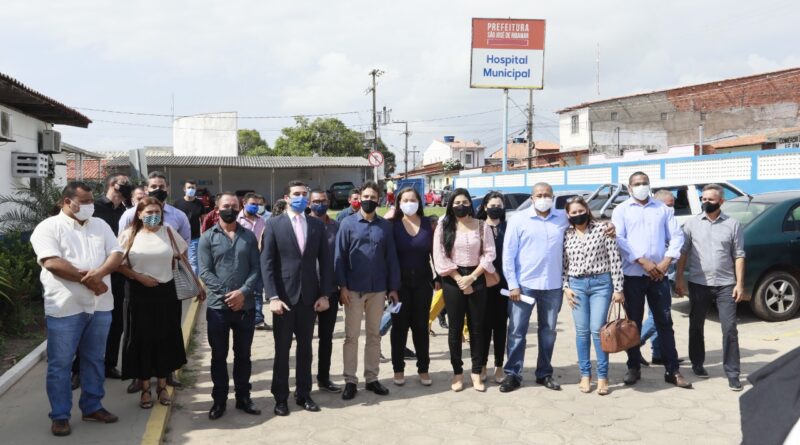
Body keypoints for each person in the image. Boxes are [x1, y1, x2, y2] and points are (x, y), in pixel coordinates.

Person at [30, 182, 124, 436]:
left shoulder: (100, 225)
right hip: (65, 307)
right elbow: (52, 262)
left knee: (95, 360)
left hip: (101, 306)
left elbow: (116, 254)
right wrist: (92, 281)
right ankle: (60, 415)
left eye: (91, 200)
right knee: (60, 364)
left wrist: (100, 273)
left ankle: (92, 406)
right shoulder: (48, 228)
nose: (88, 206)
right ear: (66, 202)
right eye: (83, 201)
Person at [117, 197, 201, 409]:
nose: (154, 215)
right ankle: (145, 389)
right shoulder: (129, 235)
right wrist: (138, 277)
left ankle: (162, 387)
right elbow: (118, 264)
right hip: (138, 294)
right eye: (149, 212)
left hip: (166, 293)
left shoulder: (169, 232)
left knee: (165, 339)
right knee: (142, 340)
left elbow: (183, 258)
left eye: (157, 211)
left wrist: (198, 285)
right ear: (139, 214)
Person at [612, 171, 691, 389]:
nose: (641, 186)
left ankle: (672, 370)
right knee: (633, 324)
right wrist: (641, 261)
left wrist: (666, 261)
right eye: (637, 183)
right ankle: (633, 366)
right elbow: (619, 239)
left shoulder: (662, 209)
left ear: (650, 185)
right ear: (629, 188)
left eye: (644, 183)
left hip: (659, 275)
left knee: (664, 322)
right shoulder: (621, 210)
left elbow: (676, 237)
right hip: (634, 276)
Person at [262, 181, 333, 416]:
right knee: (282, 350)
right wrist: (272, 296)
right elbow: (267, 264)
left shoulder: (315, 225)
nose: (301, 198)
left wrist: (324, 294)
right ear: (286, 197)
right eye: (297, 194)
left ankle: (304, 394)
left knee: (306, 349)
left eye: (305, 194)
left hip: (309, 298)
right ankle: (280, 397)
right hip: (283, 298)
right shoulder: (273, 225)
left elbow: (325, 262)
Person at [500, 183, 569, 393]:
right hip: (524, 286)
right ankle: (513, 374)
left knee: (548, 332)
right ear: (532, 197)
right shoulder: (518, 220)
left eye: (547, 195)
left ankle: (544, 373)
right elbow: (508, 254)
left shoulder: (562, 218)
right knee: (517, 331)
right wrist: (512, 284)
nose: (543, 198)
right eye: (539, 195)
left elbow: (587, 224)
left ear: (553, 197)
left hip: (553, 286)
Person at [675, 184, 745, 391]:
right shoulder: (691, 224)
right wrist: (679, 278)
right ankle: (697, 363)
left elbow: (739, 255)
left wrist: (740, 283)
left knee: (729, 328)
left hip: (726, 285)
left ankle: (732, 373)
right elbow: (683, 253)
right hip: (699, 283)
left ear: (721, 202)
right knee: (696, 326)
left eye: (711, 200)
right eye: (703, 199)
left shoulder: (733, 225)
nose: (706, 202)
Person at [199, 192, 262, 420]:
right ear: (217, 209)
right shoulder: (207, 238)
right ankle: (219, 400)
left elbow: (256, 268)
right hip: (218, 308)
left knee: (243, 355)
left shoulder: (249, 237)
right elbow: (204, 271)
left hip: (245, 307)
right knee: (219, 356)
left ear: (240, 207)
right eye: (226, 205)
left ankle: (244, 397)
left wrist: (243, 293)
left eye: (234, 206)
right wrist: (228, 296)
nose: (230, 209)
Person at [335, 181, 400, 400]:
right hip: (353, 290)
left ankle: (371, 378)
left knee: (374, 335)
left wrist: (393, 288)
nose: (369, 200)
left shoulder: (385, 226)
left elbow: (391, 258)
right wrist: (342, 286)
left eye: (373, 197)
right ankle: (350, 381)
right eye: (366, 196)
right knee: (351, 337)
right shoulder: (347, 224)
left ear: (379, 199)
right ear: (359, 197)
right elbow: (339, 257)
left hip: (378, 289)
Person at [70, 174, 130, 387]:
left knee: (116, 321)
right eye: (123, 182)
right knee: (86, 319)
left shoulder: (126, 210)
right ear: (112, 185)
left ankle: (109, 364)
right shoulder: (95, 209)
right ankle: (78, 369)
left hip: (119, 272)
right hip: (92, 274)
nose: (126, 185)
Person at [433, 188, 496, 393]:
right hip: (453, 280)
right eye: (457, 202)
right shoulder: (444, 226)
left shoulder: (481, 226)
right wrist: (459, 278)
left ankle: (476, 372)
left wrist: (472, 277)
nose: (461, 206)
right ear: (451, 205)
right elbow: (440, 255)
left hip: (476, 278)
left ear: (471, 204)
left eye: (465, 202)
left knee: (477, 328)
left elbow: (489, 254)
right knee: (455, 329)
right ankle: (457, 373)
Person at [562, 196, 625, 396]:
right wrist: (566, 287)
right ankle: (585, 375)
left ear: (587, 210)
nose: (578, 215)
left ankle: (603, 376)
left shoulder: (603, 229)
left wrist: (618, 289)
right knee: (582, 332)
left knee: (598, 330)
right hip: (577, 285)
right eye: (574, 212)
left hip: (601, 284)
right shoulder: (566, 234)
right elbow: (563, 264)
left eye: (581, 211)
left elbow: (614, 259)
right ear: (568, 215)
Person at [390, 187, 434, 387]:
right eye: (404, 200)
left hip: (423, 284)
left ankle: (423, 369)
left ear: (419, 202)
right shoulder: (392, 226)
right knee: (399, 328)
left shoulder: (428, 225)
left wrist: (439, 278)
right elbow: (388, 257)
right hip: (399, 286)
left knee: (421, 327)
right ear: (399, 203)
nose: (409, 203)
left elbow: (436, 253)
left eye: (412, 199)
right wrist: (390, 286)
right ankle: (398, 369)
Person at [307, 189, 344, 393]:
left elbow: (342, 258)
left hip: (330, 291)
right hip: (305, 292)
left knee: (326, 339)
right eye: (316, 201)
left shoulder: (337, 227)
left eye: (323, 200)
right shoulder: (302, 225)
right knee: (305, 340)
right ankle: (303, 380)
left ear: (328, 202)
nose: (320, 204)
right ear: (309, 203)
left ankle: (324, 377)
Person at [640, 189, 677, 366]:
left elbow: (677, 243)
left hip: (664, 273)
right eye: (669, 205)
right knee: (659, 316)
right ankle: (634, 342)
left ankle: (658, 353)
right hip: (647, 274)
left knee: (658, 315)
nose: (672, 209)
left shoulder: (669, 220)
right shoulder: (649, 219)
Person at [475, 191, 508, 385]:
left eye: (499, 205)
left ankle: (499, 365)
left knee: (500, 326)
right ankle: (483, 365)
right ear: (485, 206)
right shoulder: (478, 227)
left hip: (504, 284)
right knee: (483, 326)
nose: (495, 208)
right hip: (483, 282)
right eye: (492, 205)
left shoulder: (509, 227)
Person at [119, 171, 190, 244]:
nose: (158, 189)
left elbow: (185, 243)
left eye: (161, 187)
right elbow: (122, 242)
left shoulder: (179, 215)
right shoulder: (131, 214)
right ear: (146, 189)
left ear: (167, 189)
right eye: (153, 187)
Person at [237, 192, 270, 331]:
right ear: (244, 203)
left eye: (258, 204)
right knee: (242, 290)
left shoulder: (262, 220)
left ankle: (258, 320)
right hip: (241, 261)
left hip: (258, 259)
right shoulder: (237, 220)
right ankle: (241, 319)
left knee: (257, 291)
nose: (256, 207)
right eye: (253, 204)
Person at [173, 180, 208, 275]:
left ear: (196, 190)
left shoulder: (199, 204)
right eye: (189, 187)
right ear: (184, 189)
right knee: (179, 261)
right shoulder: (177, 203)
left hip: (194, 238)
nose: (191, 189)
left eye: (193, 188)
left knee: (193, 262)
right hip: (179, 238)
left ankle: (194, 284)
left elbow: (204, 221)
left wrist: (204, 236)